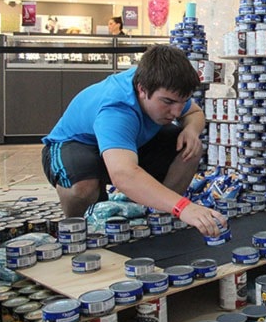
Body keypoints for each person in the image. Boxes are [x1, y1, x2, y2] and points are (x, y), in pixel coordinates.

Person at [41, 45, 225, 237]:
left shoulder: (164, 84)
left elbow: (194, 112)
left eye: (182, 101)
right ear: (141, 90)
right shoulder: (117, 109)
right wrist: (185, 207)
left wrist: (191, 130)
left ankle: (155, 216)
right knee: (82, 188)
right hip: (76, 144)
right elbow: (123, 174)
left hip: (127, 143)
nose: (176, 112)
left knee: (189, 147)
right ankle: (79, 231)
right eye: (168, 103)